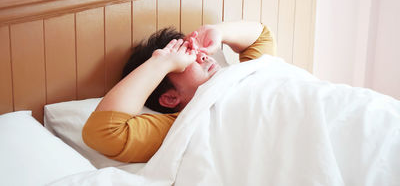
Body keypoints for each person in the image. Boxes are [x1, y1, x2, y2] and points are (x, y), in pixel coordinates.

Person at [82, 21, 276, 163]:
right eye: (185, 56)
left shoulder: (244, 75)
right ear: (170, 98)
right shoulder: (182, 125)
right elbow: (104, 134)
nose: (201, 56)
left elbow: (261, 36)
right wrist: (161, 63)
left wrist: (216, 31)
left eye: (193, 50)